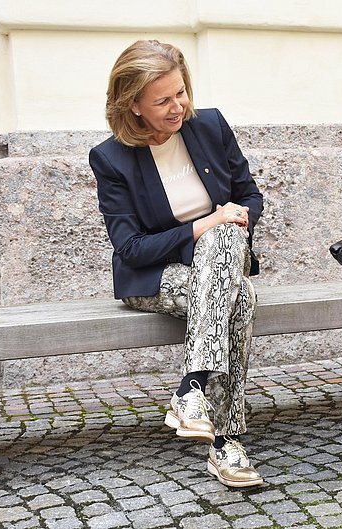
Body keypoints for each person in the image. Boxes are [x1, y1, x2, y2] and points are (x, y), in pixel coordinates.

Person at [89, 39, 264, 488]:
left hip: (219, 263)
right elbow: (130, 248)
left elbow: (248, 195)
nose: (177, 106)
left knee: (226, 237)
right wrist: (203, 226)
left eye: (181, 92)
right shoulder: (111, 158)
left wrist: (230, 221)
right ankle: (224, 440)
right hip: (153, 278)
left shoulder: (209, 126)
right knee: (239, 298)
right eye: (162, 100)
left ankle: (191, 391)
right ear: (133, 106)